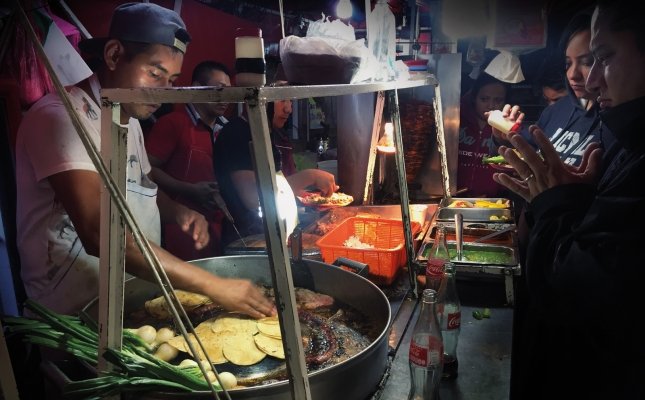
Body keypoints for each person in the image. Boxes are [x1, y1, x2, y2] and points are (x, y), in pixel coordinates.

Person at [14, 3, 273, 318]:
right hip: (70, 314)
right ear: (113, 55)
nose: (163, 93)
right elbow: (100, 234)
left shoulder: (129, 120)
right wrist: (213, 284)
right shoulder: (58, 118)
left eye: (171, 80)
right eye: (155, 74)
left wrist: (176, 210)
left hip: (126, 299)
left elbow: (140, 186)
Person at [493, 1, 645, 398]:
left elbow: (588, 289)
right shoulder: (566, 114)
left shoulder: (617, 131)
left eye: (600, 58)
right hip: (541, 285)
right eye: (571, 63)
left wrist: (557, 201)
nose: (588, 78)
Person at [213, 91, 337, 246]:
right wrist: (309, 176)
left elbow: (275, 183)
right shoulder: (237, 134)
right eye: (281, 99)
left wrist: (307, 196)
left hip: (273, 236)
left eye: (290, 101)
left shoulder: (267, 131)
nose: (288, 109)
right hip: (249, 242)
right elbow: (255, 198)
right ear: (257, 96)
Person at [145, 61, 231, 260]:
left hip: (219, 226)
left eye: (229, 91)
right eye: (218, 89)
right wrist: (188, 189)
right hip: (182, 227)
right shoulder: (173, 123)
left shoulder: (227, 130)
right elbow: (148, 170)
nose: (225, 98)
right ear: (197, 87)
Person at [457, 72, 509, 197]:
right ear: (474, 98)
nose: (491, 105)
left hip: (492, 201)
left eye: (498, 100)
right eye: (484, 99)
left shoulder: (508, 129)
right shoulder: (455, 121)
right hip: (454, 196)